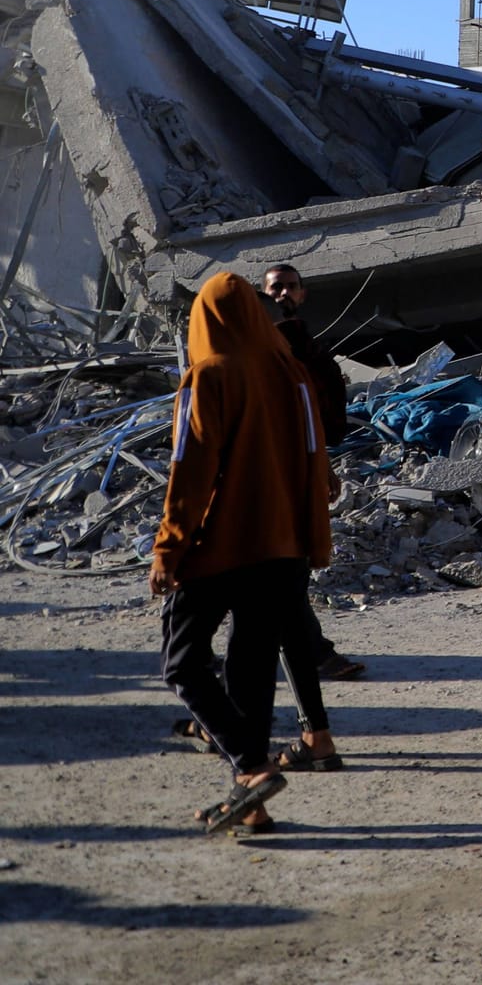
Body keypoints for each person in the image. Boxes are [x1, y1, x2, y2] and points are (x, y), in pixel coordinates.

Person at [155, 272, 334, 834]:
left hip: (221, 547)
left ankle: (251, 768)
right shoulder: (292, 374)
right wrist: (313, 534)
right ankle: (250, 801)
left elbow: (190, 472)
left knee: (183, 664)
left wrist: (169, 548)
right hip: (284, 550)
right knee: (250, 668)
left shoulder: (208, 377)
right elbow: (316, 461)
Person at [261, 263, 367, 685]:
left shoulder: (308, 349)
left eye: (290, 288)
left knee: (282, 571)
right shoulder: (260, 355)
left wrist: (322, 463)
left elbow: (316, 417)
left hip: (298, 470)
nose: (283, 295)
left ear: (302, 294)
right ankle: (314, 655)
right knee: (280, 570)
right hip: (269, 476)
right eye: (275, 289)